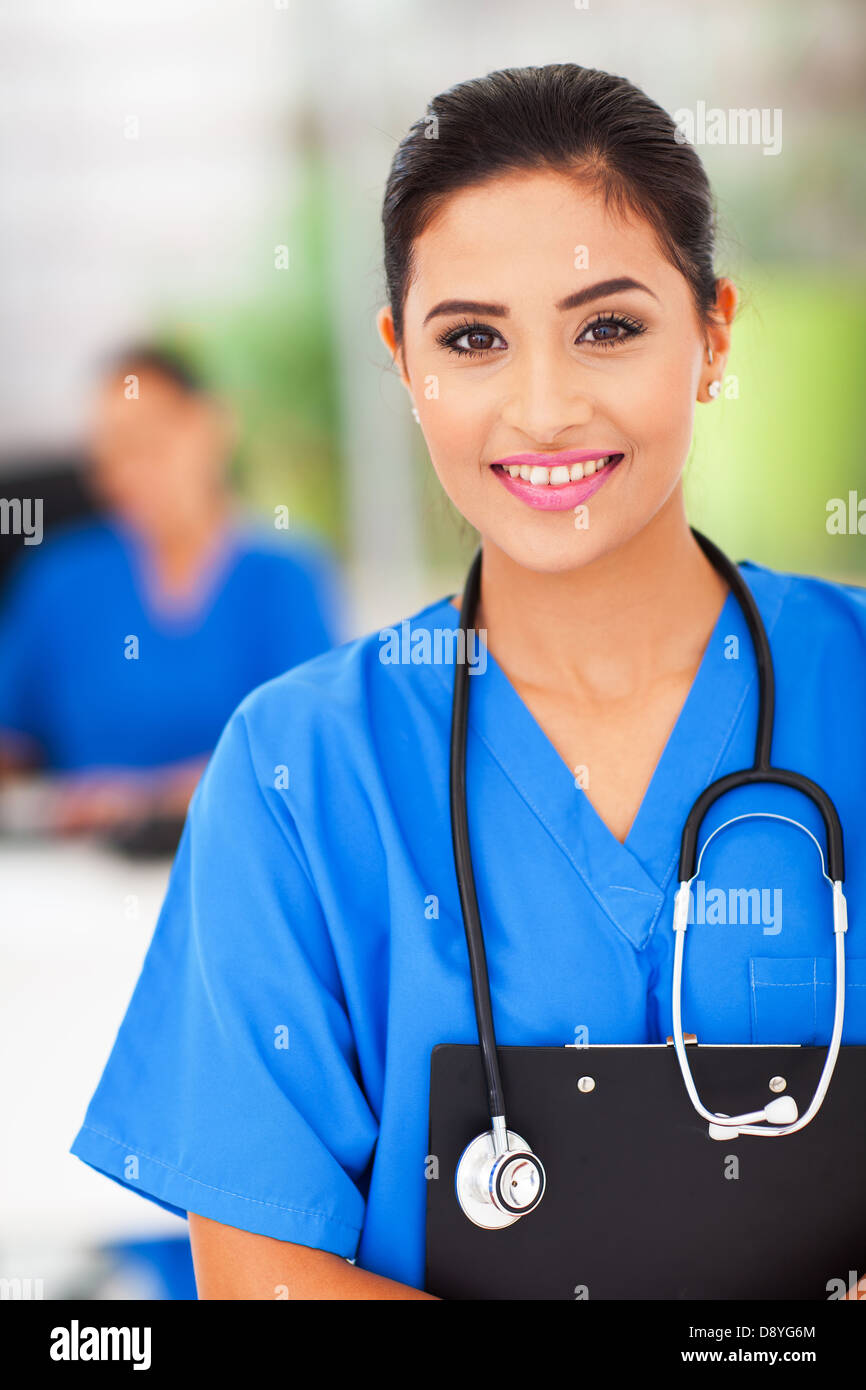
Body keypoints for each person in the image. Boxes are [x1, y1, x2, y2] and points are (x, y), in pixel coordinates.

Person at [70, 65, 866, 1300]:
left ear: (712, 334)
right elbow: (263, 1279)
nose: (542, 408)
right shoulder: (300, 767)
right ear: (400, 358)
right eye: (473, 339)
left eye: (606, 325)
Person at [0, 345, 342, 834]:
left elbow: (304, 754)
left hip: (238, 854)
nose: (127, 473)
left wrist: (144, 802)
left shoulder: (285, 578)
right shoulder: (60, 577)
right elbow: (12, 733)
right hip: (76, 872)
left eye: (148, 443)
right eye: (109, 454)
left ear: (213, 427)